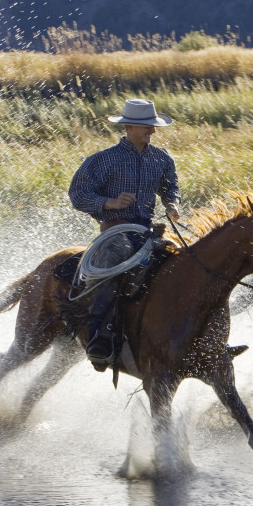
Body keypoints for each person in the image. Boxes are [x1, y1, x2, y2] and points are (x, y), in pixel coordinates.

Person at [68, 98, 180, 370]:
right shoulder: (103, 160)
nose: (151, 132)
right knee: (112, 268)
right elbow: (78, 194)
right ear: (129, 126)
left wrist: (172, 203)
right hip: (115, 230)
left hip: (147, 231)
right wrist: (109, 203)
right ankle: (99, 335)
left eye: (152, 127)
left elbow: (170, 187)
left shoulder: (161, 158)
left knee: (181, 263)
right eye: (146, 127)